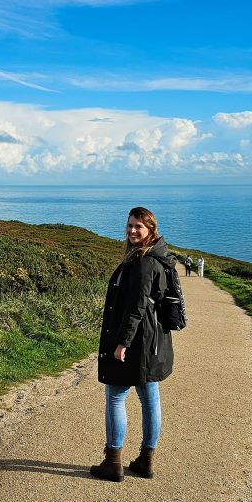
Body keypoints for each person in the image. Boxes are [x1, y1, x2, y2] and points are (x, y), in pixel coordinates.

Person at [91, 207, 176, 483]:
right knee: (150, 399)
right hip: (152, 342)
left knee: (116, 396)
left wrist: (122, 343)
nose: (131, 231)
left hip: (136, 343)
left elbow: (136, 307)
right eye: (129, 225)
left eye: (138, 226)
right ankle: (145, 460)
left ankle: (113, 461)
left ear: (151, 229)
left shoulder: (144, 262)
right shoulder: (159, 257)